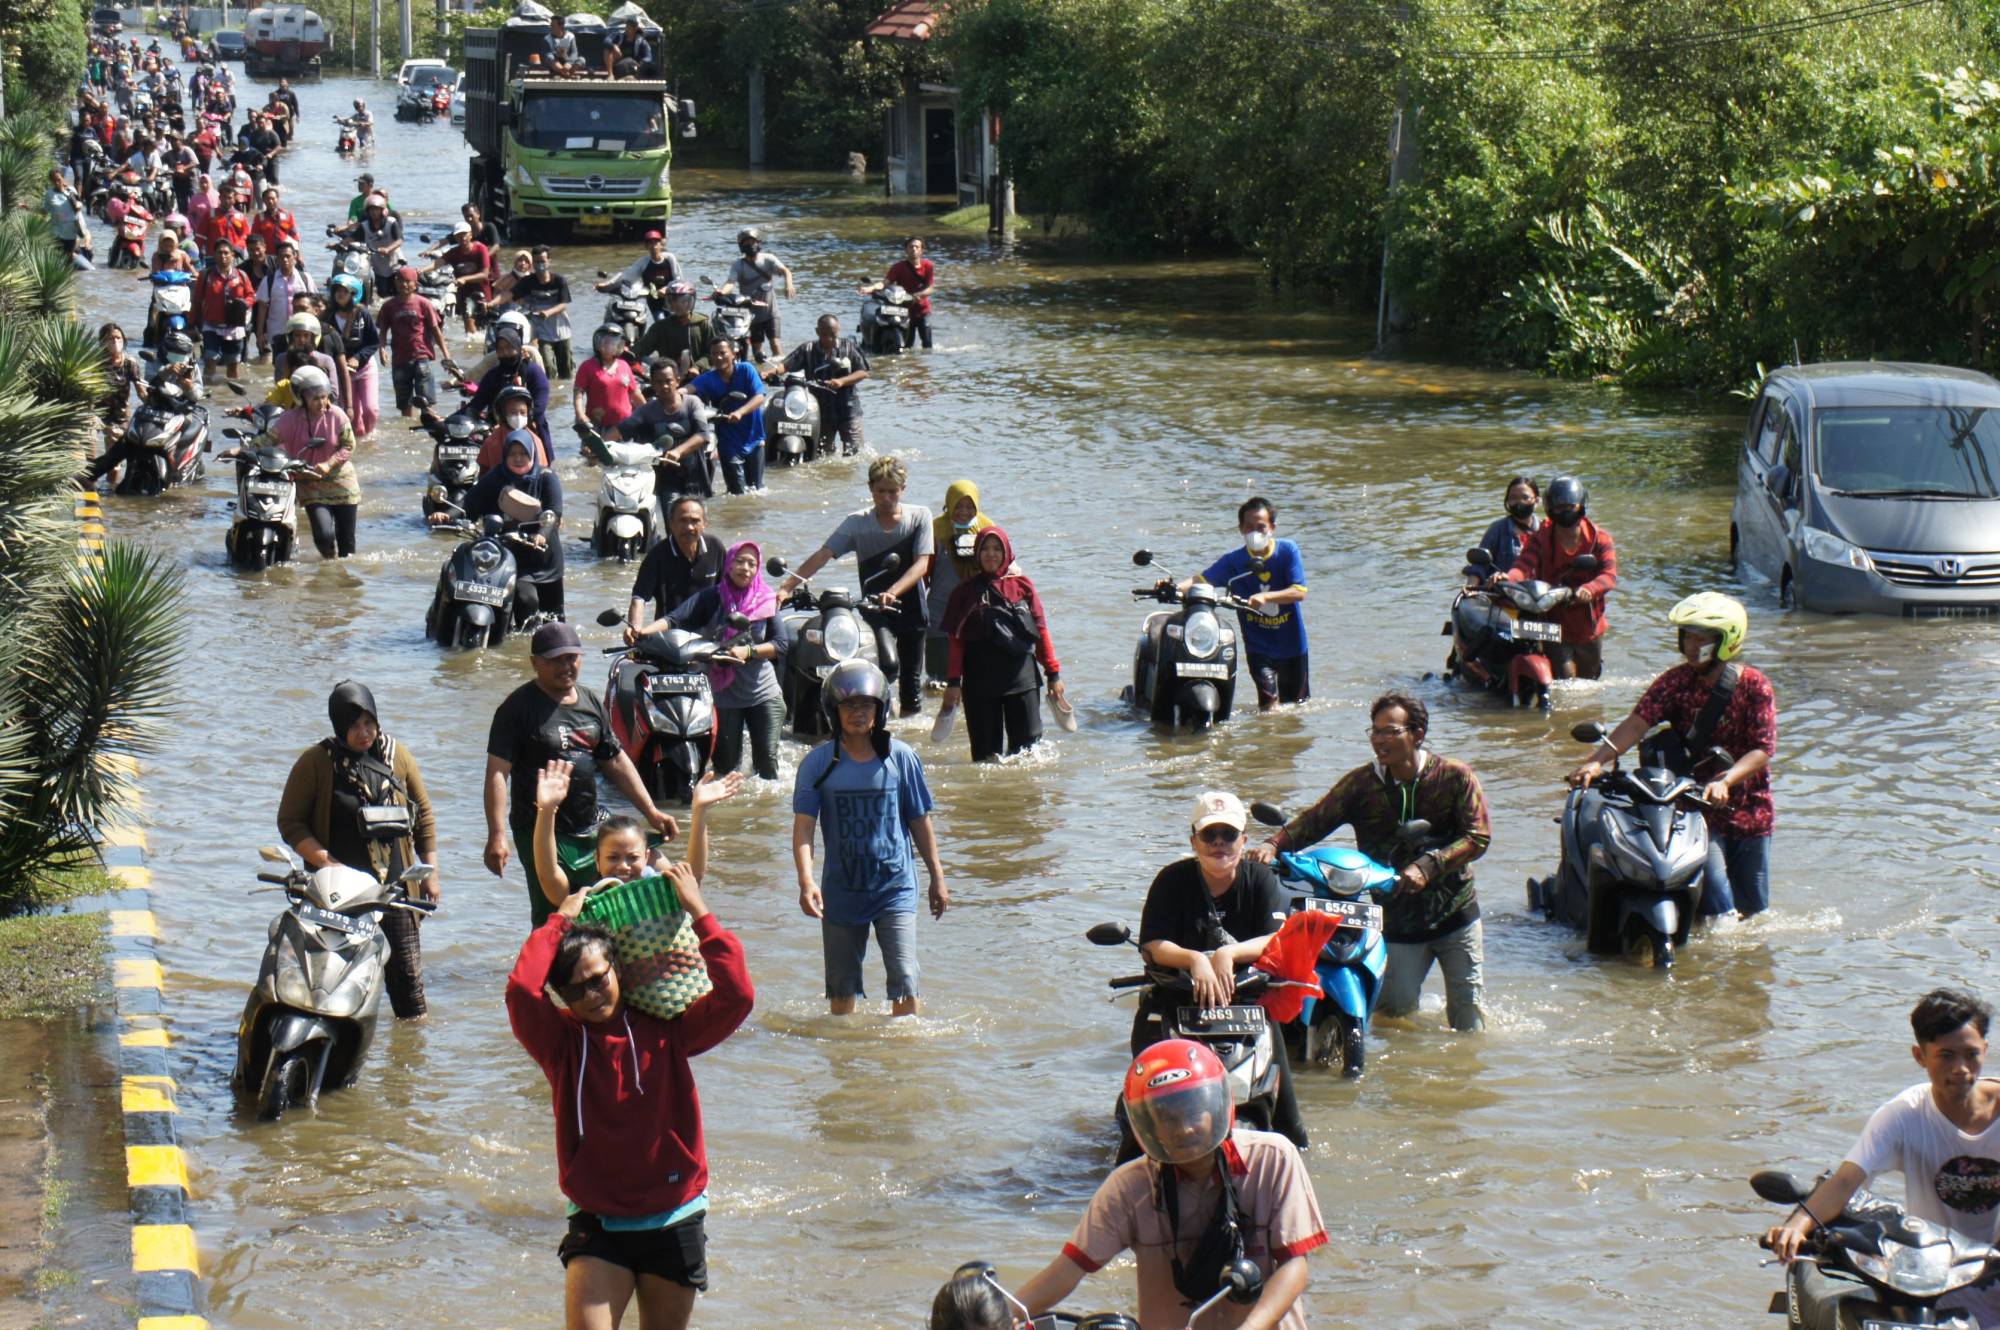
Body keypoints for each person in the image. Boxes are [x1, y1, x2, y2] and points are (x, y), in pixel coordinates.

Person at [506, 858, 751, 1330]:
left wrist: (699, 910)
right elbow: (521, 988)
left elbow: (737, 995)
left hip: (674, 1213)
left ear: (618, 968)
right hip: (598, 1219)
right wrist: (559, 920)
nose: (592, 994)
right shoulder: (561, 1043)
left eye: (599, 978)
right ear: (562, 998)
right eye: (576, 990)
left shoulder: (669, 1030)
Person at [1014, 1040, 1327, 1330]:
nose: (1184, 1128)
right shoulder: (1129, 1187)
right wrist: (996, 1315)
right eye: (1167, 1117)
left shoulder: (1273, 1159)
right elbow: (1069, 1270)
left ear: (1218, 1105)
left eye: (1193, 1111)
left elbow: (1294, 1267)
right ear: (1147, 1127)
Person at [1250, 693, 1492, 1032]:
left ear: (1417, 734)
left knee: (1469, 1019)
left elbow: (1477, 836)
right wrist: (1273, 845)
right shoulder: (1362, 784)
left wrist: (1429, 865)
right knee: (1394, 1020)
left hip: (1456, 914)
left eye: (1390, 731)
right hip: (1396, 920)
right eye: (1375, 732)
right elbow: (1316, 820)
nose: (1380, 740)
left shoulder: (1454, 777)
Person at [1762, 989, 2000, 1329]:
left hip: (1993, 1266)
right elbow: (1846, 1181)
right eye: (1945, 1056)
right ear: (1920, 1056)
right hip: (1932, 1278)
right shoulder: (1903, 1115)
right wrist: (1797, 1227)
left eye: (1971, 1054)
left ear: (1986, 1051)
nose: (1960, 1069)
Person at [1568, 593, 1776, 919]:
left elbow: (1762, 749)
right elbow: (1637, 723)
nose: (1692, 645)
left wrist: (1727, 780)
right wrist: (1597, 760)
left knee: (1756, 912)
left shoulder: (1754, 686)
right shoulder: (1675, 683)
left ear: (1726, 641)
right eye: (1688, 637)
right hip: (1695, 811)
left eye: (1702, 638)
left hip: (1751, 812)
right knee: (1718, 906)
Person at [1129, 792, 1305, 1155]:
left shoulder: (1260, 879)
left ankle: (1294, 1162)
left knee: (1291, 1124)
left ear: (1244, 840)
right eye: (1210, 836)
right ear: (1194, 841)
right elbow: (1152, 944)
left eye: (1228, 834)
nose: (1219, 844)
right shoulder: (1171, 880)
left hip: (1247, 1005)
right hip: (1176, 1003)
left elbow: (1279, 939)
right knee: (1144, 1120)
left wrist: (1230, 952)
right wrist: (1195, 960)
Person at [486, 621, 682, 927]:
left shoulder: (590, 701)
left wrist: (652, 812)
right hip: (540, 826)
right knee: (555, 909)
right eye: (555, 659)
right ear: (534, 663)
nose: (565, 666)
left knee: (639, 874)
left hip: (590, 820)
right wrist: (497, 835)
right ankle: (547, 966)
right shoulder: (516, 709)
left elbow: (615, 761)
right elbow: (497, 774)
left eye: (571, 658)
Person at [791, 659, 947, 1018]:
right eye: (849, 705)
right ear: (835, 711)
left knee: (906, 979)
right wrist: (806, 881)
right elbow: (804, 827)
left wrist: (937, 877)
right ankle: (845, 1061)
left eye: (866, 704)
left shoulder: (901, 758)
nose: (858, 713)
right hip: (842, 890)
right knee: (842, 989)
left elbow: (919, 820)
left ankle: (903, 1060)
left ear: (880, 709)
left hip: (895, 886)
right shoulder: (817, 764)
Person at [277, 682, 437, 1018]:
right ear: (339, 727)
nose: (364, 733)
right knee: (330, 983)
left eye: (369, 723)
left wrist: (430, 871)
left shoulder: (397, 756)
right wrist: (327, 863)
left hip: (394, 891)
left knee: (408, 988)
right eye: (354, 726)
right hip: (337, 893)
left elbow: (423, 815)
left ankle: (409, 1057)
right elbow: (291, 823)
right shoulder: (317, 763)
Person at [779, 457, 934, 717]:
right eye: (880, 491)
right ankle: (876, 711)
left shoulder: (919, 517)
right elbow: (823, 555)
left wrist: (893, 592)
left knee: (911, 681)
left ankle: (905, 730)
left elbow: (921, 565)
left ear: (903, 489)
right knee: (888, 664)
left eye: (892, 491)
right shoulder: (857, 523)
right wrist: (786, 586)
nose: (886, 498)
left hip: (912, 607)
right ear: (870, 488)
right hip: (874, 607)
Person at [658, 542, 792, 781]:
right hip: (724, 694)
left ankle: (766, 814)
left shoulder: (766, 599)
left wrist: (747, 652)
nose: (745, 568)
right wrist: (641, 633)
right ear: (728, 564)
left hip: (763, 692)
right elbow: (673, 620)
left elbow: (780, 644)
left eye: (752, 563)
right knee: (725, 768)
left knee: (767, 768)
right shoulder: (711, 598)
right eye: (740, 561)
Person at [530, 763, 741, 912]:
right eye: (613, 858)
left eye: (632, 857)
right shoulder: (587, 902)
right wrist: (546, 810)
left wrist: (699, 812)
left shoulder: (659, 891)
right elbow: (548, 877)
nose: (623, 866)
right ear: (597, 859)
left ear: (647, 856)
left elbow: (693, 877)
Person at [940, 527, 1064, 761]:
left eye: (997, 549)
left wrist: (1053, 675)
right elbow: (955, 643)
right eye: (985, 549)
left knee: (1028, 754)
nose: (991, 554)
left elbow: (1041, 632)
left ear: (1006, 552)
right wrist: (953, 683)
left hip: (1022, 679)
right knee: (985, 758)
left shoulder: (1023, 587)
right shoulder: (963, 593)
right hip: (979, 684)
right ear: (976, 553)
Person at [1185, 498, 1309, 711]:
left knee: (1296, 708)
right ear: (1241, 528)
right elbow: (1201, 581)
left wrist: (1266, 598)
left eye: (1261, 527)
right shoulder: (1233, 561)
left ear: (1272, 527)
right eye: (1249, 527)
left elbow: (1299, 592)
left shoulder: (1288, 551)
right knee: (1268, 707)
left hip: (1292, 646)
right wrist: (1173, 588)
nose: (1255, 532)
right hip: (1258, 648)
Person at [1499, 474, 1616, 680]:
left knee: (1589, 681)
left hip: (1588, 625)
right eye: (1558, 508)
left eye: (1568, 507)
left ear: (1580, 506)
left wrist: (1589, 589)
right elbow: (1523, 564)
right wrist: (1507, 580)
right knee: (1565, 679)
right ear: (1550, 510)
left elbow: (1609, 576)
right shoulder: (1541, 537)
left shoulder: (1600, 538)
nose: (1564, 513)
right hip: (1552, 619)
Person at [455, 431, 566, 620]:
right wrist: (445, 514)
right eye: (512, 454)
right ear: (505, 455)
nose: (518, 459)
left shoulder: (546, 477)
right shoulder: (496, 477)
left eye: (523, 454)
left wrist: (542, 534)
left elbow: (554, 511)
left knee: (555, 619)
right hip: (511, 560)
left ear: (532, 454)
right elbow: (469, 502)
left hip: (546, 559)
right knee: (526, 601)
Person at [267, 365, 361, 559]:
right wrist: (243, 450)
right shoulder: (289, 419)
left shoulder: (337, 415)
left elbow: (349, 445)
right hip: (310, 484)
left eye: (324, 396)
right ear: (301, 398)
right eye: (315, 398)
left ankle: (342, 582)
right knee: (324, 536)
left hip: (342, 484)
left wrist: (329, 464)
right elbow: (267, 440)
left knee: (347, 547)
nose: (321, 402)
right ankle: (328, 566)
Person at [627, 496, 725, 643]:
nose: (689, 527)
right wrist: (634, 628)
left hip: (710, 639)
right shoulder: (657, 555)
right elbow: (639, 598)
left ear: (705, 524)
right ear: (671, 524)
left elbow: (731, 588)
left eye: (695, 521)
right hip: (670, 639)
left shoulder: (715, 548)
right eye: (683, 520)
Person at [924, 480, 993, 680]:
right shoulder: (933, 530)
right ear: (948, 504)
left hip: (975, 610)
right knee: (937, 680)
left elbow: (1001, 568)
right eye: (958, 506)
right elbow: (923, 573)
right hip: (940, 611)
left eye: (970, 506)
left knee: (977, 676)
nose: (964, 512)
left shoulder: (987, 528)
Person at [617, 360, 713, 499]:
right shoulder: (646, 411)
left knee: (694, 518)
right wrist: (598, 446)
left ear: (677, 381)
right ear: (653, 385)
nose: (664, 386)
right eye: (659, 382)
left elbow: (703, 435)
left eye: (668, 381)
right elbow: (621, 429)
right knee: (671, 513)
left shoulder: (692, 403)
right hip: (665, 476)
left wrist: (678, 451)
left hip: (694, 475)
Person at [686, 337, 766, 495]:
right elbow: (689, 388)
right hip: (729, 442)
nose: (718, 357)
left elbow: (760, 397)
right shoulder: (709, 378)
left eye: (723, 353)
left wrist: (740, 412)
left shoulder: (746, 369)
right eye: (714, 354)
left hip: (754, 439)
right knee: (737, 493)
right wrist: (676, 394)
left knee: (757, 491)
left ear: (733, 354)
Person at [781, 314, 870, 454]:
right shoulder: (807, 349)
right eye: (828, 336)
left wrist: (842, 381)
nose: (834, 340)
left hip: (848, 408)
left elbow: (863, 372)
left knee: (854, 452)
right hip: (820, 409)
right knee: (822, 453)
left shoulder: (849, 346)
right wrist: (771, 372)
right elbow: (786, 365)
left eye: (835, 335)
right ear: (818, 332)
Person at [469, 315, 555, 454]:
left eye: (510, 348)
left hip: (531, 429)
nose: (505, 353)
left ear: (518, 347)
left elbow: (540, 405)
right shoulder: (493, 375)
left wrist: (514, 422)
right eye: (501, 349)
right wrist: (454, 420)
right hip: (496, 433)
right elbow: (476, 404)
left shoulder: (533, 372)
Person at [376, 265, 449, 420]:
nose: (404, 284)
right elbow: (383, 330)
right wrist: (382, 349)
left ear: (415, 284)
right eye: (400, 280)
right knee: (404, 403)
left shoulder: (424, 304)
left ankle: (429, 425)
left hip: (421, 355)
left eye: (408, 281)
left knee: (426, 402)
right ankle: (408, 431)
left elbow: (436, 331)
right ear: (395, 283)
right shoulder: (389, 306)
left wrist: (446, 356)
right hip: (400, 358)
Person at [324, 274, 381, 440]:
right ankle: (360, 446)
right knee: (353, 417)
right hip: (343, 373)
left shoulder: (362, 314)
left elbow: (373, 342)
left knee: (371, 410)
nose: (340, 294)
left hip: (365, 368)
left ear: (353, 294)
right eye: (337, 291)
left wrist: (358, 358)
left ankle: (371, 439)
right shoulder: (327, 317)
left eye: (345, 291)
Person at [724, 228, 793, 359]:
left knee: (776, 344)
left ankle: (779, 372)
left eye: (753, 241)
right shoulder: (738, 265)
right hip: (751, 313)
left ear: (758, 243)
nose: (750, 245)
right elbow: (730, 282)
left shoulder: (768, 259)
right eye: (746, 242)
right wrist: (720, 292)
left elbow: (785, 271)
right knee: (757, 350)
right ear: (741, 246)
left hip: (770, 311)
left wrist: (788, 284)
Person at [859, 235, 936, 349]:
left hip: (922, 310)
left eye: (917, 247)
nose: (914, 249)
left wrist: (916, 296)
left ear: (921, 250)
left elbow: (930, 288)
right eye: (911, 246)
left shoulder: (928, 266)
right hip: (904, 310)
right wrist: (870, 288)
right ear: (906, 250)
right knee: (907, 345)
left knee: (927, 344)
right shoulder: (898, 267)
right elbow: (885, 283)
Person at [195, 242, 255, 383]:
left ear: (232, 255)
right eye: (219, 253)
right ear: (214, 255)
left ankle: (230, 396)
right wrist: (192, 324)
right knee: (210, 360)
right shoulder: (206, 275)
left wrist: (244, 303)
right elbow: (197, 301)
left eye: (226, 253)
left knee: (233, 365)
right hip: (211, 326)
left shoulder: (241, 276)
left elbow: (252, 295)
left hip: (234, 328)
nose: (223, 256)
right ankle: (207, 391)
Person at [511, 246, 574, 378]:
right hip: (541, 332)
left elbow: (563, 304)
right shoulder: (528, 282)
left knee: (566, 369)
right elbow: (511, 294)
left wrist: (548, 312)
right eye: (537, 262)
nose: (540, 265)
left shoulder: (559, 281)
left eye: (543, 261)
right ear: (533, 264)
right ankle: (550, 392)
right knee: (547, 365)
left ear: (549, 261)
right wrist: (491, 303)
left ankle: (564, 394)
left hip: (561, 331)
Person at [1465, 475, 1541, 582]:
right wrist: (1470, 587)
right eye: (1513, 498)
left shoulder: (1545, 531)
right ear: (1507, 501)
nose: (1519, 502)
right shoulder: (1497, 529)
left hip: (1539, 593)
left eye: (1525, 497)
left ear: (1537, 501)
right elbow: (1479, 566)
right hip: (1504, 591)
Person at [596, 230, 679, 324]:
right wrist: (607, 284)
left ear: (661, 245)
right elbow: (625, 276)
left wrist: (667, 289)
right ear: (646, 246)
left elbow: (678, 279)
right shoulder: (643, 262)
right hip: (654, 300)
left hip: (672, 299)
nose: (653, 246)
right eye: (650, 243)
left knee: (676, 323)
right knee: (660, 322)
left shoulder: (670, 259)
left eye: (656, 243)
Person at [427, 221, 493, 339]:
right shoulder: (453, 252)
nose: (462, 237)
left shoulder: (480, 249)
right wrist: (420, 271)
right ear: (455, 238)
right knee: (469, 325)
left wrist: (464, 279)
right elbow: (436, 264)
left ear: (470, 235)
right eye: (458, 235)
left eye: (464, 234)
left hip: (482, 293)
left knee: (485, 329)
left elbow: (484, 274)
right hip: (464, 295)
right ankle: (470, 349)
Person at [632, 281, 710, 374]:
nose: (677, 305)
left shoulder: (702, 324)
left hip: (699, 377)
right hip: (668, 377)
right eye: (672, 300)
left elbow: (712, 352)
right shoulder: (660, 327)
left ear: (690, 302)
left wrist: (698, 367)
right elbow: (641, 348)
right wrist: (623, 354)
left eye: (682, 301)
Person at [575, 324, 641, 433]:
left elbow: (635, 394)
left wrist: (648, 412)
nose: (609, 346)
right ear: (598, 343)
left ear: (619, 345)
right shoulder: (587, 366)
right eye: (605, 342)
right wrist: (580, 414)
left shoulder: (624, 365)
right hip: (597, 425)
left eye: (613, 343)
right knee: (593, 450)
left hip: (624, 425)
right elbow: (578, 394)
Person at [254, 242, 314, 360]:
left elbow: (314, 304)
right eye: (281, 257)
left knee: (301, 365)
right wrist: (260, 334)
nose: (285, 259)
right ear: (277, 260)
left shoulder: (305, 278)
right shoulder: (268, 281)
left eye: (288, 256)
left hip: (301, 333)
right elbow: (262, 308)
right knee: (279, 366)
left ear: (295, 257)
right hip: (277, 332)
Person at [339, 193, 404, 299]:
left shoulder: (391, 223)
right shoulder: (364, 227)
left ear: (383, 211)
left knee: (400, 286)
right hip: (376, 262)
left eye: (377, 209)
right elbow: (351, 238)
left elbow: (400, 240)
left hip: (394, 260)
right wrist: (338, 245)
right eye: (371, 210)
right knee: (382, 292)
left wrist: (388, 249)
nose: (374, 212)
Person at [474, 384, 553, 471]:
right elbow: (483, 473)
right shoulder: (492, 441)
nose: (518, 416)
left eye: (523, 412)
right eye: (513, 412)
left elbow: (543, 472)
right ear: (503, 414)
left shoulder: (536, 441)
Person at [94, 323, 146, 452]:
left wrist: (155, 405)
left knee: (114, 462)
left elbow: (141, 392)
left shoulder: (129, 363)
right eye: (111, 339)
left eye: (118, 338)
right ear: (103, 342)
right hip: (97, 414)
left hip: (120, 416)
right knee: (89, 458)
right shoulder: (95, 363)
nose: (115, 341)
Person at [45, 170, 85, 258]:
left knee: (68, 260)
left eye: (59, 179)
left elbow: (79, 204)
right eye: (54, 180)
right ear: (51, 181)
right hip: (56, 232)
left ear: (63, 178)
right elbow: (44, 211)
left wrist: (79, 205)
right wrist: (29, 208)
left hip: (70, 232)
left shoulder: (71, 191)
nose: (57, 182)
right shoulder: (49, 194)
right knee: (58, 259)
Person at [250, 185, 298, 256]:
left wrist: (299, 255)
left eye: (273, 198)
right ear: (263, 200)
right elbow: (254, 238)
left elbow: (295, 237)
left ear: (277, 199)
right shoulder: (259, 217)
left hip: (284, 255)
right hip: (267, 255)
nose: (270, 201)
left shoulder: (288, 216)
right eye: (267, 199)